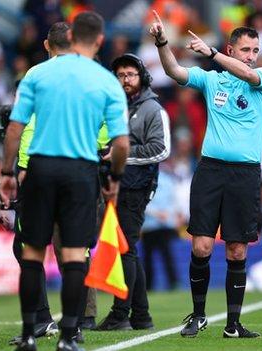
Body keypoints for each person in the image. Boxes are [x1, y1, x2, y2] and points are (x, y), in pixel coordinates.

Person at [0, 12, 130, 351]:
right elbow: (121, 143)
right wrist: (114, 177)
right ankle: (69, 336)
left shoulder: (36, 74)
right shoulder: (105, 80)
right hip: (80, 172)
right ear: (98, 41)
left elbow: (15, 127)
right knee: (74, 255)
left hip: (40, 169)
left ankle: (29, 334)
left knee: (31, 253)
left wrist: (5, 172)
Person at [149, 10, 262, 338]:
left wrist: (212, 54)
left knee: (237, 249)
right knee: (201, 246)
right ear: (233, 50)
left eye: (255, 51)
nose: (252, 56)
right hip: (210, 171)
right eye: (246, 50)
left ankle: (233, 324)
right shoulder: (212, 79)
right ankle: (199, 314)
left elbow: (248, 75)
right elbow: (175, 71)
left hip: (245, 174)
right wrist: (163, 43)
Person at [96, 52, 170, 331]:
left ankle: (120, 313)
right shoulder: (115, 106)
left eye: (130, 74)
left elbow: (161, 149)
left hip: (136, 187)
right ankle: (140, 316)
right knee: (128, 249)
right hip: (115, 184)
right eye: (121, 75)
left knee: (125, 248)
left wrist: (120, 155)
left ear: (142, 77)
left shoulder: (153, 110)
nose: (125, 80)